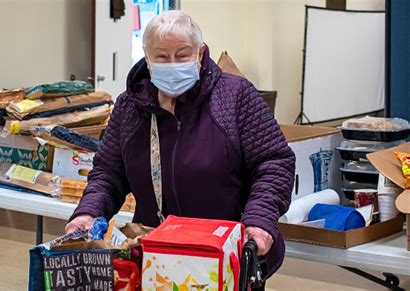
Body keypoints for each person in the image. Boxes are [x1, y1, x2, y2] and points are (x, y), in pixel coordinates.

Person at [65, 10, 295, 280]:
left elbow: (273, 163)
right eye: (162, 57)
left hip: (226, 255)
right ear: (147, 59)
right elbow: (108, 173)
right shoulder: (130, 107)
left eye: (183, 55)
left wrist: (259, 220)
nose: (172, 64)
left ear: (200, 54)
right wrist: (89, 212)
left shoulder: (235, 97)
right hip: (154, 254)